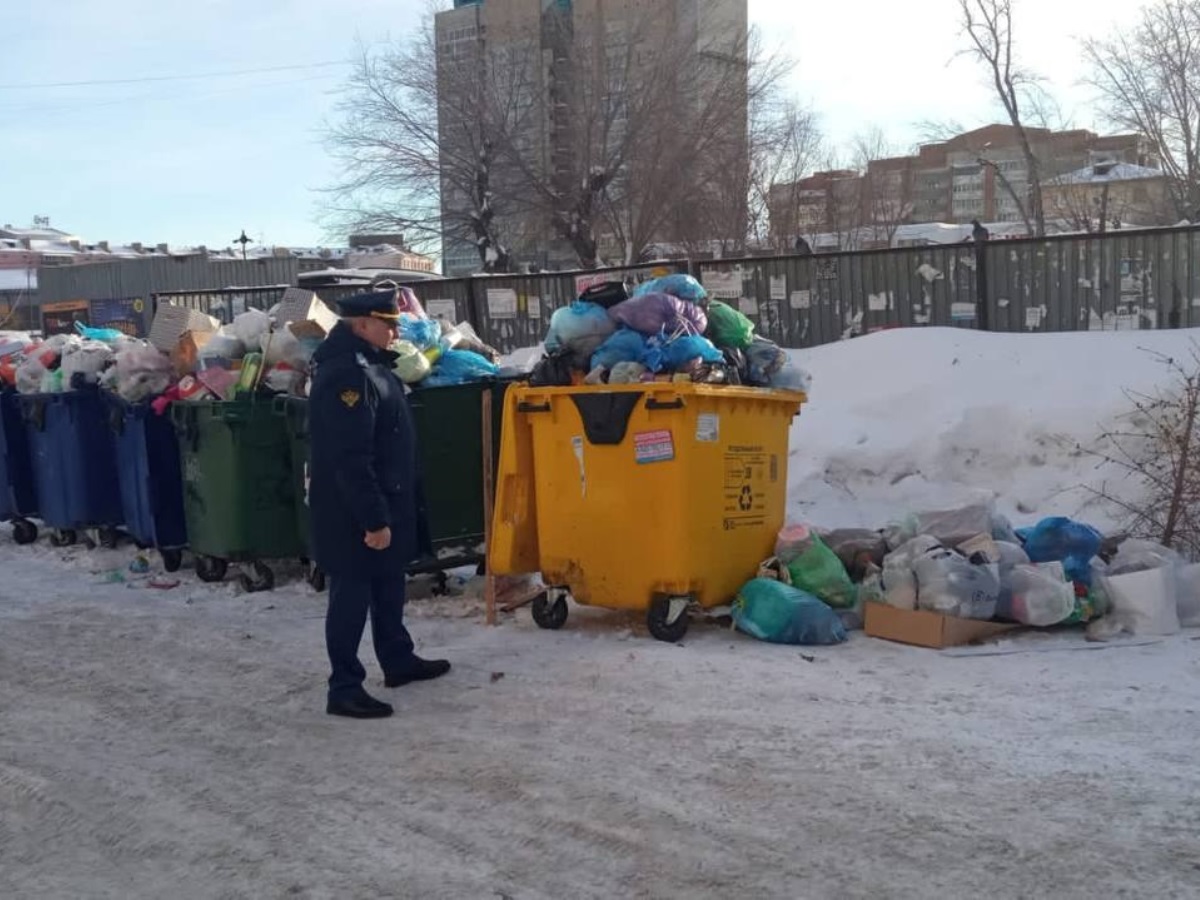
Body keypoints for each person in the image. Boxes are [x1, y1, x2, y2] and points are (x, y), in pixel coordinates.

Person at [307, 287, 450, 719]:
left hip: (386, 502)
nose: (394, 331)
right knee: (351, 596)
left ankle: (397, 659)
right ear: (362, 325)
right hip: (355, 510)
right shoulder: (347, 375)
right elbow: (350, 457)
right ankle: (344, 686)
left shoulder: (372, 366)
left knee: (388, 585)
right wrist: (372, 519)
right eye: (388, 324)